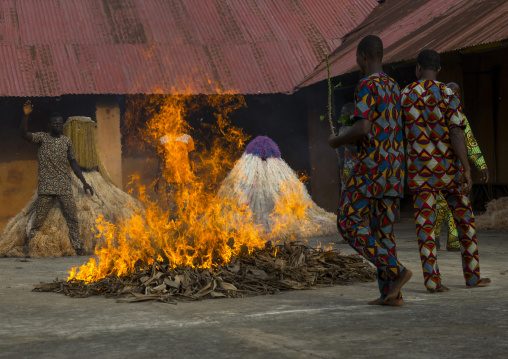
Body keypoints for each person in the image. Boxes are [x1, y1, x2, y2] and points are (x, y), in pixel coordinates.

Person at [328, 35, 411, 306]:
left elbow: (363, 128)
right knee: (382, 230)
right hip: (394, 167)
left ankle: (396, 269)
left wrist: (338, 140)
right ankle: (392, 294)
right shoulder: (394, 86)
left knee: (347, 222)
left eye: (355, 58)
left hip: (371, 166)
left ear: (363, 56)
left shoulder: (366, 84)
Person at [401, 50, 491, 292]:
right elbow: (456, 132)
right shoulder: (448, 93)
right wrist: (466, 169)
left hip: (421, 175)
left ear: (418, 68)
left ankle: (432, 281)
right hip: (450, 172)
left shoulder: (406, 94)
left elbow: (399, 136)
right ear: (439, 69)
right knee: (465, 223)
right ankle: (472, 277)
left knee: (426, 227)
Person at [19, 100, 94, 256]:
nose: (59, 125)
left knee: (72, 217)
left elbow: (74, 163)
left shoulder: (66, 142)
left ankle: (77, 246)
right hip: (46, 187)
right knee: (38, 219)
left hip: (63, 186)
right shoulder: (42, 138)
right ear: (49, 125)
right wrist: (26, 116)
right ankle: (29, 246)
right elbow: (24, 134)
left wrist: (85, 182)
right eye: (55, 123)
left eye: (60, 123)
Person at [434, 82, 489, 251]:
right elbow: (470, 143)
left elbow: (470, 143)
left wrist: (481, 165)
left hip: (441, 169)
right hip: (449, 169)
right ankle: (445, 239)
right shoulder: (457, 117)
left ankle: (446, 239)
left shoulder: (434, 116)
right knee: (449, 203)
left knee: (446, 203)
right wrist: (479, 165)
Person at [154, 132, 195, 214]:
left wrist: (194, 175)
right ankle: (174, 223)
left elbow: (192, 159)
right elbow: (161, 161)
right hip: (170, 178)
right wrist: (157, 179)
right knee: (173, 207)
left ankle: (183, 223)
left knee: (184, 206)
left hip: (185, 178)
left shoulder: (187, 138)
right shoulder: (163, 139)